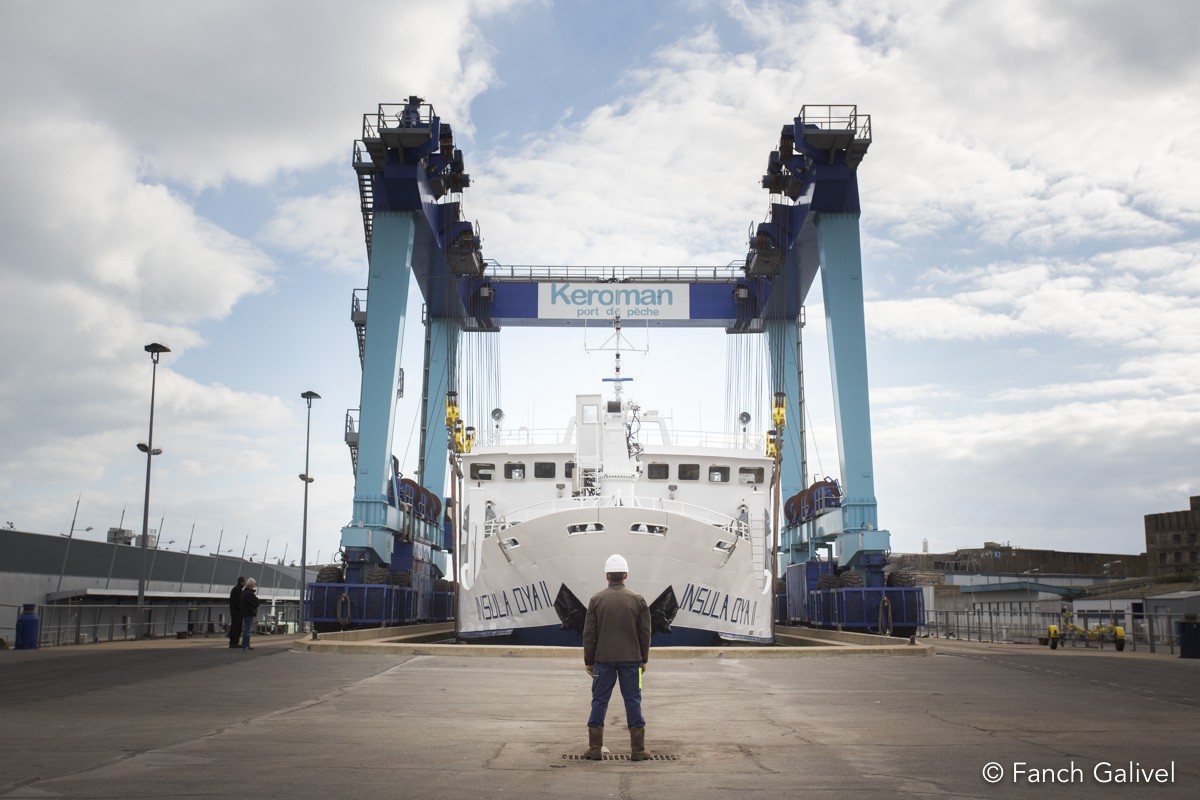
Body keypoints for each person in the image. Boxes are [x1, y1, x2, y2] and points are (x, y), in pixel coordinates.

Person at [582, 553, 652, 761]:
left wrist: (589, 661)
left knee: (599, 700)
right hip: (632, 661)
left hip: (603, 661)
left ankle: (595, 748)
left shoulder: (596, 600)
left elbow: (589, 634)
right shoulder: (638, 600)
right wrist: (644, 659)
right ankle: (638, 750)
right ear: (626, 575)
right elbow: (645, 633)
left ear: (606, 576)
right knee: (633, 700)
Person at [239, 577, 261, 651]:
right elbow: (256, 602)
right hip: (250, 613)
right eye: (254, 584)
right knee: (248, 630)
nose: (254, 586)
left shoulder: (244, 592)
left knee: (246, 629)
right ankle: (246, 646)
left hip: (245, 613)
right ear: (251, 585)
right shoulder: (249, 593)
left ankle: (245, 645)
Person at [227, 576, 246, 649]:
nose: (245, 583)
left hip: (233, 611)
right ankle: (235, 642)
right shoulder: (238, 590)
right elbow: (238, 602)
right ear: (241, 582)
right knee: (237, 627)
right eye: (244, 581)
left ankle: (232, 642)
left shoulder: (235, 589)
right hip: (237, 612)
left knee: (234, 626)